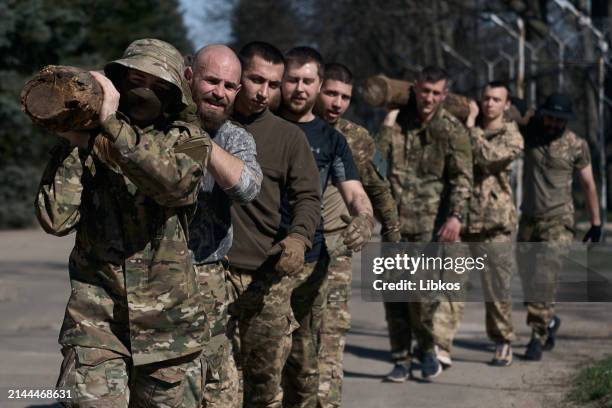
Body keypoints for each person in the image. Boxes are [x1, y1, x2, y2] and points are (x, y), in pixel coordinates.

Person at [36, 38, 212, 407]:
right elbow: (56, 219)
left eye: (156, 84)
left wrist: (112, 128)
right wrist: (74, 140)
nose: (143, 91)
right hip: (97, 323)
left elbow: (173, 185)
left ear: (174, 93)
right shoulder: (89, 140)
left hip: (170, 330)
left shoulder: (191, 141)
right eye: (134, 80)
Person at [226, 41, 321, 408]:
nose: (264, 92)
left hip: (267, 276)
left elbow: (308, 198)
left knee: (265, 383)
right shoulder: (208, 125)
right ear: (239, 76)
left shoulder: (288, 137)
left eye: (273, 84)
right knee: (217, 381)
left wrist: (298, 238)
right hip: (211, 274)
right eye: (256, 80)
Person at [279, 46, 374, 407]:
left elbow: (355, 190)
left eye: (308, 81)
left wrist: (365, 219)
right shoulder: (259, 123)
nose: (300, 89)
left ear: (318, 85)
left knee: (306, 364)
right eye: (293, 80)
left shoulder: (333, 140)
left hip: (309, 263)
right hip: (256, 260)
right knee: (258, 367)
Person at [377, 66, 473, 381]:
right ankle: (401, 358)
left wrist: (456, 216)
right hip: (394, 227)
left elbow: (462, 179)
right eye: (425, 91)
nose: (429, 98)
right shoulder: (398, 125)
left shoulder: (451, 129)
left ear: (444, 95)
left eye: (436, 93)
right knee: (395, 298)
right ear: (415, 89)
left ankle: (428, 347)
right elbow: (374, 165)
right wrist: (388, 122)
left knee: (422, 298)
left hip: (429, 229)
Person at [313, 62, 400, 408]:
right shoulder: (291, 127)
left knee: (331, 338)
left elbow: (378, 189)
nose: (336, 102)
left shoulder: (357, 138)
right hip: (290, 246)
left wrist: (391, 233)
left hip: (336, 248)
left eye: (344, 97)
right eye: (331, 93)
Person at [185, 44, 263, 407]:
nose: (220, 93)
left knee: (221, 392)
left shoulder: (235, 138)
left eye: (230, 86)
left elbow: (247, 188)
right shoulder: (152, 128)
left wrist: (201, 142)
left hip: (208, 280)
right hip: (148, 279)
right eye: (211, 81)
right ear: (189, 76)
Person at [442, 81, 522, 367]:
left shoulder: (511, 135)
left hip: (494, 225)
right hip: (461, 220)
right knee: (450, 286)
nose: (489, 104)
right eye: (486, 98)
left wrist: (472, 125)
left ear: (507, 105)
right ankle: (441, 345)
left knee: (497, 289)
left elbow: (488, 158)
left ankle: (503, 341)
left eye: (496, 100)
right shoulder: (464, 129)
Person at [518, 92, 601, 361]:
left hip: (559, 221)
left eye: (559, 121)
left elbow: (588, 184)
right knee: (529, 282)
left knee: (544, 279)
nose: (554, 124)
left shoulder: (576, 145)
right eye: (550, 118)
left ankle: (536, 337)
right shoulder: (530, 131)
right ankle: (550, 321)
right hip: (529, 219)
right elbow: (514, 109)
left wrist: (596, 222)